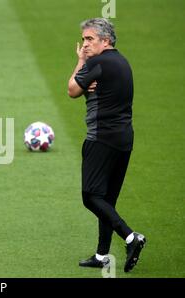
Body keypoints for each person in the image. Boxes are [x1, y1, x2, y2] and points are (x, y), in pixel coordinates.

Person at [67, 18, 146, 272]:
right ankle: (102, 255)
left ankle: (132, 237)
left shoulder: (97, 62)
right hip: (123, 139)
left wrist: (81, 62)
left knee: (90, 196)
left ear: (106, 40)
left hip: (101, 139)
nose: (85, 44)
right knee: (106, 200)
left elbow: (71, 90)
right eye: (84, 39)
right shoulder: (122, 62)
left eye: (90, 39)